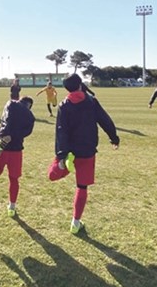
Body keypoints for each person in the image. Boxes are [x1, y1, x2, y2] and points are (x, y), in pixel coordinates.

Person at [47, 74, 120, 234]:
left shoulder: (64, 105)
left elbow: (61, 131)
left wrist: (61, 154)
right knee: (82, 187)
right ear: (80, 84)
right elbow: (105, 120)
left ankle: (58, 166)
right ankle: (75, 222)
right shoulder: (91, 101)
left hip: (70, 152)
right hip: (87, 150)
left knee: (53, 174)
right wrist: (114, 137)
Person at [0, 96, 35, 217]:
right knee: (14, 179)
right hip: (16, 149)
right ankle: (12, 207)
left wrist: (5, 135)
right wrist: (14, 136)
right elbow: (26, 133)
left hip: (1, 143)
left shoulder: (11, 104)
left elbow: (5, 119)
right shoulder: (31, 117)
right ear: (30, 106)